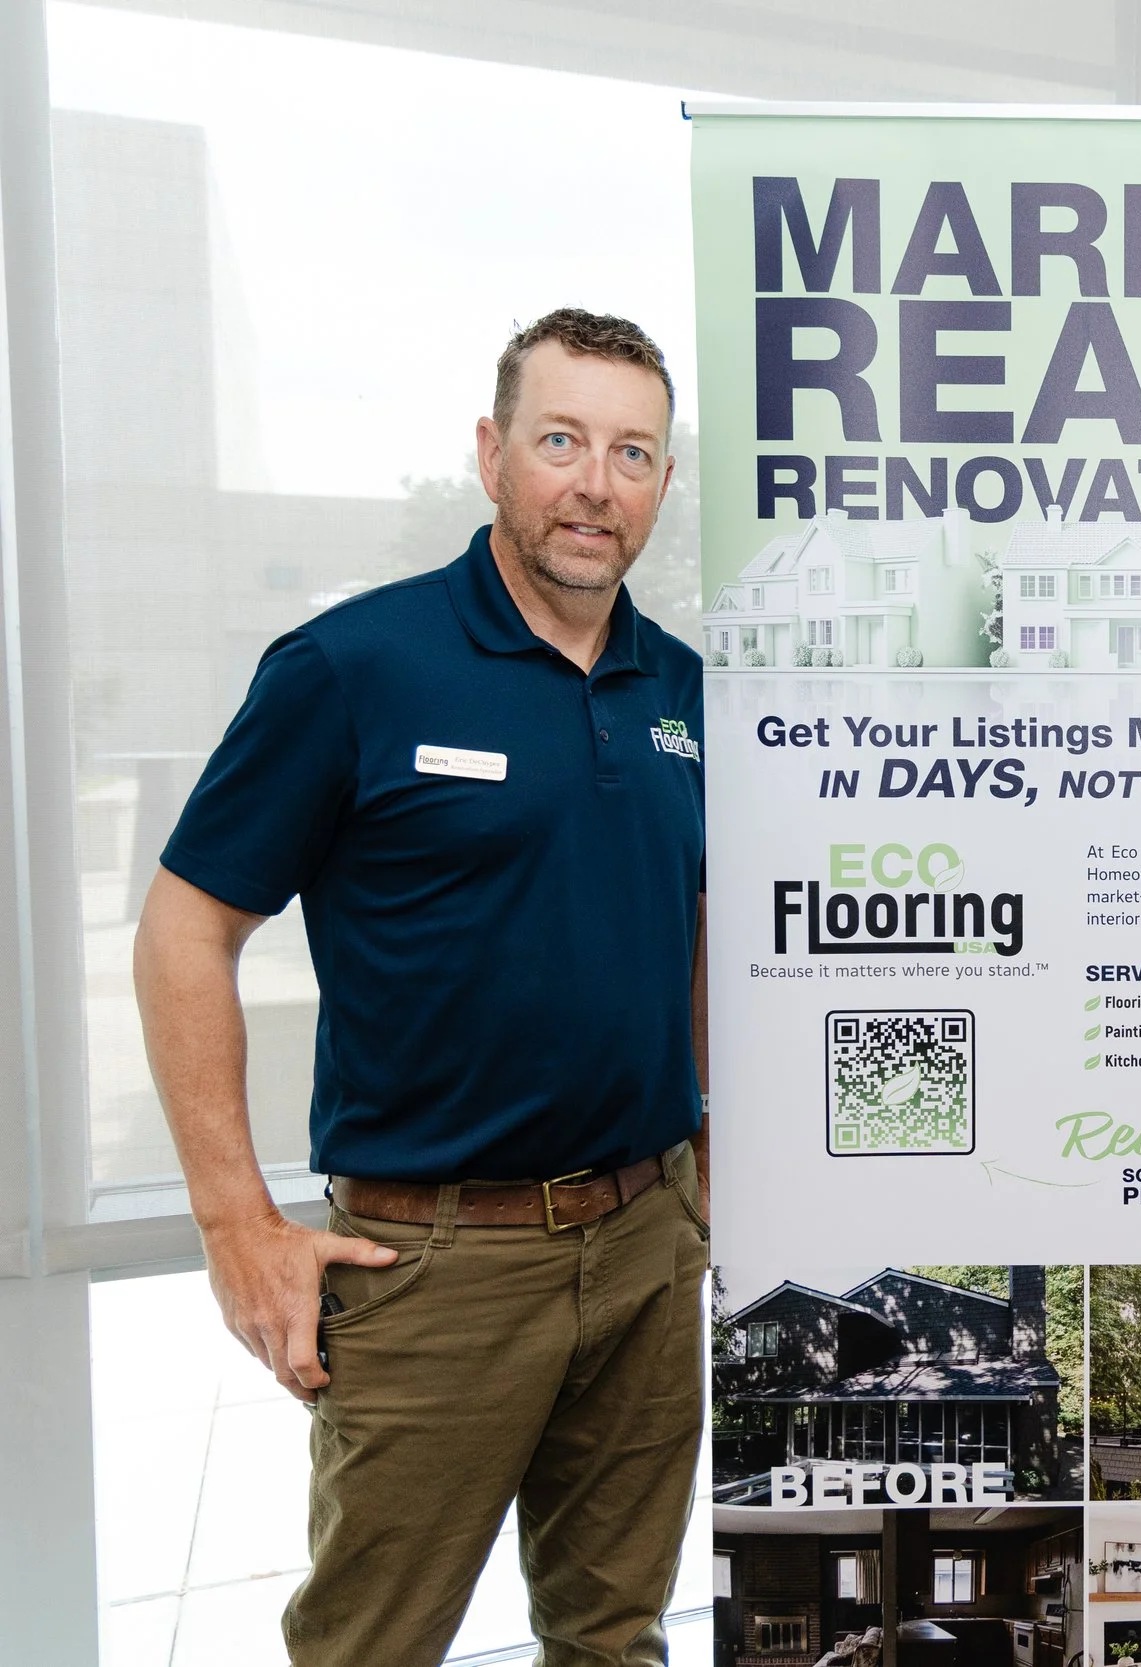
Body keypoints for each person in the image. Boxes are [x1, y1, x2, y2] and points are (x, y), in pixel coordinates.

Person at [132, 309, 709, 1666]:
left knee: (616, 1635)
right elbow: (184, 926)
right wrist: (235, 1222)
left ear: (663, 486)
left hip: (643, 1243)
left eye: (633, 453)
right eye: (560, 439)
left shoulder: (680, 688)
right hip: (437, 1261)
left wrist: (709, 1172)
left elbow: (685, 930)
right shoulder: (355, 667)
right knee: (371, 1645)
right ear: (491, 453)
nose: (595, 482)